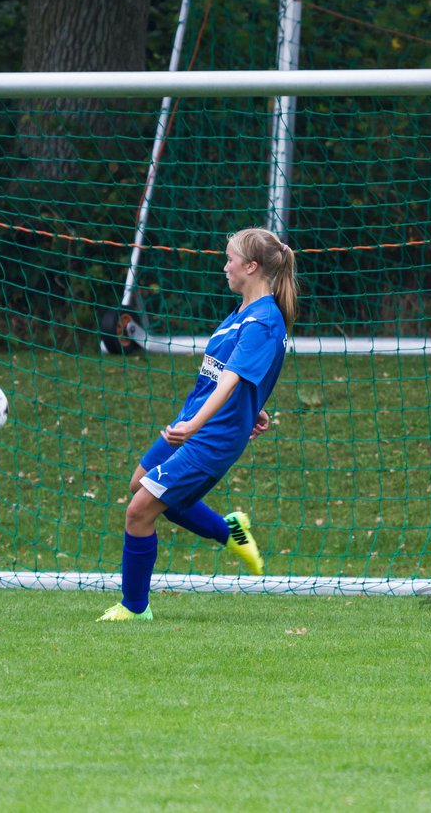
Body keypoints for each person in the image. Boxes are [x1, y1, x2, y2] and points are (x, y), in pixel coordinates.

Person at [98, 227, 298, 622]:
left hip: (211, 436)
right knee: (140, 484)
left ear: (251, 267)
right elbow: (234, 374)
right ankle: (229, 530)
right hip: (198, 419)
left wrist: (197, 426)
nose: (225, 267)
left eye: (230, 260)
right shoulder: (243, 311)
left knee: (139, 511)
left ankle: (135, 608)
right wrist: (251, 407)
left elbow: (231, 380)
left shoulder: (263, 321)